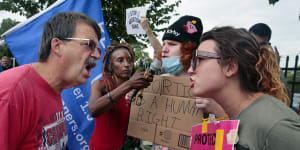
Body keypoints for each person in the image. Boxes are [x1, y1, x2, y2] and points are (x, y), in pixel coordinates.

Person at [0, 12, 101, 149]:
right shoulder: (11, 93)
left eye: (98, 50)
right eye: (90, 45)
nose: (97, 55)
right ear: (57, 46)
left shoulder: (55, 88)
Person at [188, 26, 300, 150]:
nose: (190, 70)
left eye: (200, 59)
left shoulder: (277, 127)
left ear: (230, 67)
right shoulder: (231, 115)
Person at [141, 15, 206, 149]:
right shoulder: (156, 83)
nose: (164, 50)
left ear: (189, 49)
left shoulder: (204, 88)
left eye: (172, 44)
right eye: (164, 44)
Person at [88, 42, 153, 150]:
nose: (127, 64)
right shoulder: (100, 85)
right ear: (110, 65)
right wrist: (128, 85)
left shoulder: (137, 89)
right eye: (120, 60)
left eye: (129, 60)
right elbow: (93, 110)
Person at [249, 23, 291, 105]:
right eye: (253, 44)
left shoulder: (272, 69)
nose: (257, 49)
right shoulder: (240, 63)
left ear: (268, 45)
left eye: (261, 45)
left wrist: (275, 67)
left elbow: (285, 97)